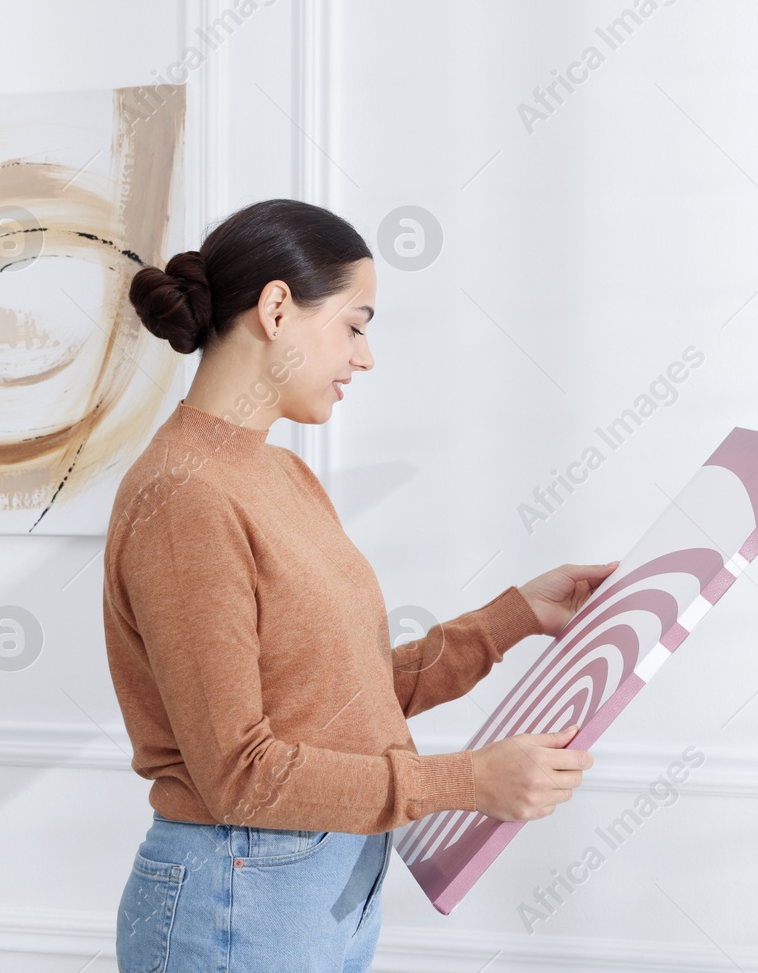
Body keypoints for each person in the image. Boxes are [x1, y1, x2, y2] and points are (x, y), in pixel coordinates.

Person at [101, 198, 613, 972]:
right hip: (238, 890)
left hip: (320, 883)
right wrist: (467, 781)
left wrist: (515, 617)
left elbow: (340, 697)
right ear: (277, 308)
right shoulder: (185, 495)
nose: (365, 356)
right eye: (354, 323)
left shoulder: (279, 470)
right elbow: (240, 776)